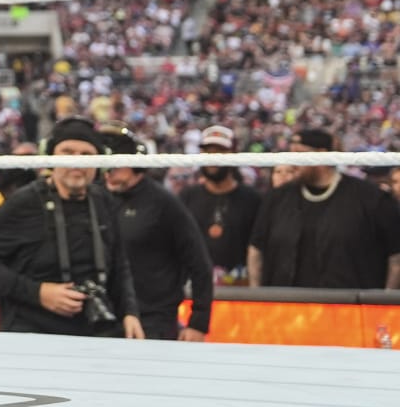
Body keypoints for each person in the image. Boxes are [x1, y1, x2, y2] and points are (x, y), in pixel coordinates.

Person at [0, 118, 144, 339]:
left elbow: (119, 265)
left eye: (87, 155)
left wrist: (129, 313)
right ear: (51, 157)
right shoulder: (23, 203)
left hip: (94, 330)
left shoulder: (104, 201)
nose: (77, 162)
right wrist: (39, 293)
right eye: (67, 152)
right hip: (32, 332)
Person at [247, 128, 400, 290]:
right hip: (285, 301)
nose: (292, 162)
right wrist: (256, 296)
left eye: (298, 154)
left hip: (348, 301)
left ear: (321, 154)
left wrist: (385, 300)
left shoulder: (370, 199)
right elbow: (256, 249)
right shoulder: (277, 198)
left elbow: (396, 256)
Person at [100, 128, 214, 341]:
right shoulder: (100, 199)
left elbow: (199, 262)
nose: (108, 173)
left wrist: (199, 322)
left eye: (114, 166)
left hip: (153, 318)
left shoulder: (163, 203)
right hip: (109, 315)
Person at [177, 124, 262, 284]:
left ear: (233, 154)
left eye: (220, 151)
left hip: (239, 287)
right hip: (194, 285)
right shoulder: (187, 197)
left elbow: (258, 247)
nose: (213, 157)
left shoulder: (252, 199)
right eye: (208, 151)